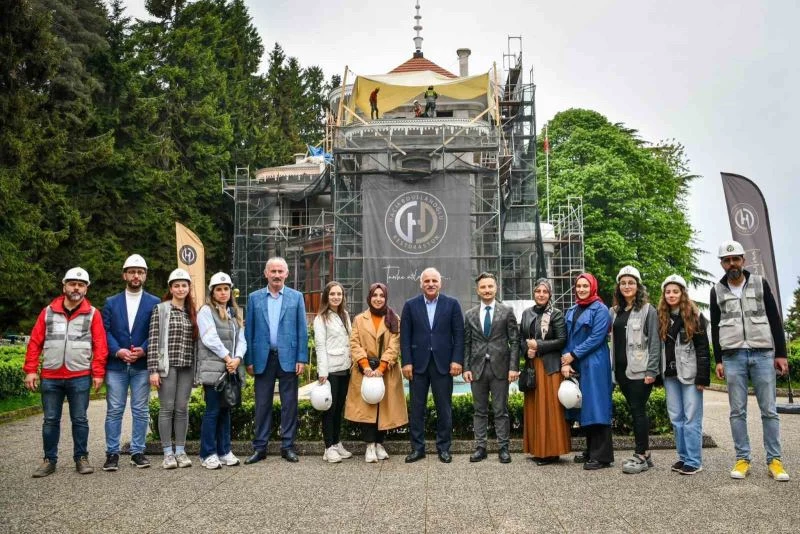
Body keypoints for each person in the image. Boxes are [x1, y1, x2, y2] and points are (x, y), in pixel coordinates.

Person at [711, 240, 790, 481]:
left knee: (769, 410)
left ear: (743, 260)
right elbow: (715, 326)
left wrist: (781, 354)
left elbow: (775, 319)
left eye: (736, 258)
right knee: (737, 412)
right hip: (733, 355)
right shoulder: (716, 290)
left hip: (762, 353)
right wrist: (719, 359)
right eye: (727, 260)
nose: (732, 263)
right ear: (722, 264)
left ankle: (774, 461)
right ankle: (742, 459)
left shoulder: (759, 282)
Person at [24, 267, 108, 477]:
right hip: (51, 377)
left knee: (80, 419)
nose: (76, 288)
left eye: (81, 285)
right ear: (64, 286)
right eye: (72, 284)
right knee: (50, 420)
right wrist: (31, 370)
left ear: (86, 289)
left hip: (79, 376)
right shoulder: (48, 311)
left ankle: (81, 458)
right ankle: (49, 460)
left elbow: (100, 345)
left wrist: (98, 373)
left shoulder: (93, 314)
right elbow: (35, 342)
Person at [244, 257, 308, 464]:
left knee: (290, 404)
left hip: (289, 358)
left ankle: (287, 446)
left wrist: (301, 357)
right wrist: (249, 359)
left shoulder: (296, 297)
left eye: (281, 271)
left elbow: (302, 330)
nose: (277, 275)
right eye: (273, 271)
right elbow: (249, 331)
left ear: (287, 274)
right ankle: (260, 447)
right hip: (263, 358)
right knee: (262, 404)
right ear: (266, 274)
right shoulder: (254, 298)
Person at [101, 254, 160, 471]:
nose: (136, 275)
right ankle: (112, 453)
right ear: (124, 274)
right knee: (114, 409)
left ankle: (137, 451)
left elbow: (156, 330)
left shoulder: (154, 302)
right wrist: (117, 351)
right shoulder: (111, 302)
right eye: (132, 271)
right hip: (116, 365)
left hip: (141, 365)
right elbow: (104, 330)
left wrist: (143, 349)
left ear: (145, 276)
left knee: (140, 409)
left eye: (140, 272)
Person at [401, 267, 465, 463]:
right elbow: (405, 337)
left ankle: (444, 448)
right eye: (427, 281)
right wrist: (407, 362)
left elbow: (459, 336)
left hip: (443, 365)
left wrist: (457, 360)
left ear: (440, 283)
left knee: (444, 408)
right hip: (418, 366)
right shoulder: (410, 306)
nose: (430, 284)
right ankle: (417, 449)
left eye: (434, 281)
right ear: (421, 284)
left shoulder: (452, 304)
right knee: (417, 409)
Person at [344, 283, 408, 462]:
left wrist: (381, 367)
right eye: (375, 295)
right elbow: (354, 343)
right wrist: (365, 365)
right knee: (368, 407)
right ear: (369, 297)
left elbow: (395, 345)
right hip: (364, 370)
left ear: (386, 298)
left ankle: (380, 444)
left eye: (381, 295)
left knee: (385, 408)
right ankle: (369, 446)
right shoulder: (359, 319)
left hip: (386, 371)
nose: (378, 299)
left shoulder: (393, 318)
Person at [608, 265, 660, 474]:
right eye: (623, 283)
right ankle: (645, 454)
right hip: (621, 371)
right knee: (634, 410)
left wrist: (652, 371)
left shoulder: (648, 310)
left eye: (631, 283)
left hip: (640, 371)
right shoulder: (614, 312)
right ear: (618, 287)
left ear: (638, 286)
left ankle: (641, 455)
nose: (627, 286)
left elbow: (655, 343)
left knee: (638, 411)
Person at [463, 272, 519, 463]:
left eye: (490, 286)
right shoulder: (469, 315)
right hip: (477, 369)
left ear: (496, 288)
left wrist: (513, 367)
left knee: (501, 410)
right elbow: (467, 344)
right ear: (477, 290)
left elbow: (515, 341)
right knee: (479, 411)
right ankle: (480, 447)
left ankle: (503, 448)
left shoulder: (507, 311)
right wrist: (466, 368)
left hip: (501, 368)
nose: (487, 290)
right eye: (483, 287)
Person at [658, 274, 710, 475]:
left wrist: (702, 377)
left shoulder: (694, 316)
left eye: (675, 291)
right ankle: (683, 456)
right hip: (670, 375)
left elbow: (703, 349)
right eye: (668, 291)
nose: (671, 295)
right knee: (676, 418)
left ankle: (694, 460)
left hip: (690, 374)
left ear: (682, 293)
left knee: (692, 418)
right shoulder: (661, 316)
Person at [560, 273, 613, 470]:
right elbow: (566, 337)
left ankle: (602, 456)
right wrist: (566, 361)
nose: (581, 289)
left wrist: (572, 355)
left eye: (585, 286)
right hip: (577, 362)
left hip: (595, 362)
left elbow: (597, 337)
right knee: (584, 406)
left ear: (593, 287)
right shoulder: (572, 309)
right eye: (578, 286)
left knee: (597, 406)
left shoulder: (601, 309)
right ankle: (591, 450)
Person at [147, 268, 198, 470]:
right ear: (170, 288)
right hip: (167, 367)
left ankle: (181, 451)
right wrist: (153, 370)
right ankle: (167, 453)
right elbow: (153, 340)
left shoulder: (192, 311)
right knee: (166, 409)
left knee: (182, 409)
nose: (180, 288)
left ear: (189, 288)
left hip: (186, 366)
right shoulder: (161, 309)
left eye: (184, 285)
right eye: (176, 285)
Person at [196, 272, 246, 470]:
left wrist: (237, 359)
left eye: (226, 289)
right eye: (219, 289)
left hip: (230, 369)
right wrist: (228, 358)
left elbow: (242, 339)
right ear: (213, 292)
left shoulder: (234, 313)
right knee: (213, 411)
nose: (223, 292)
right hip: (214, 369)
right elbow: (210, 338)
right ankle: (207, 453)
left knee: (226, 411)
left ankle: (224, 451)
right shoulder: (206, 311)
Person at [519, 278, 570, 465]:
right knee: (534, 409)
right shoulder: (526, 313)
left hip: (549, 368)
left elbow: (562, 340)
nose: (541, 294)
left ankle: (551, 452)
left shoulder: (556, 314)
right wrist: (527, 350)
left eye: (545, 292)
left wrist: (538, 345)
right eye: (538, 291)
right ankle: (537, 449)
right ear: (534, 293)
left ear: (550, 295)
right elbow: (520, 339)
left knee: (549, 410)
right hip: (533, 367)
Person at [314, 281, 354, 463]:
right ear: (326, 296)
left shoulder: (344, 315)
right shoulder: (321, 318)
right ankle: (328, 447)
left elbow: (350, 340)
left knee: (339, 409)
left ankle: (337, 443)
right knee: (329, 410)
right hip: (329, 371)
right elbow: (320, 346)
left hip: (345, 368)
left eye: (339, 294)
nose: (336, 297)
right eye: (332, 294)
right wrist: (322, 372)